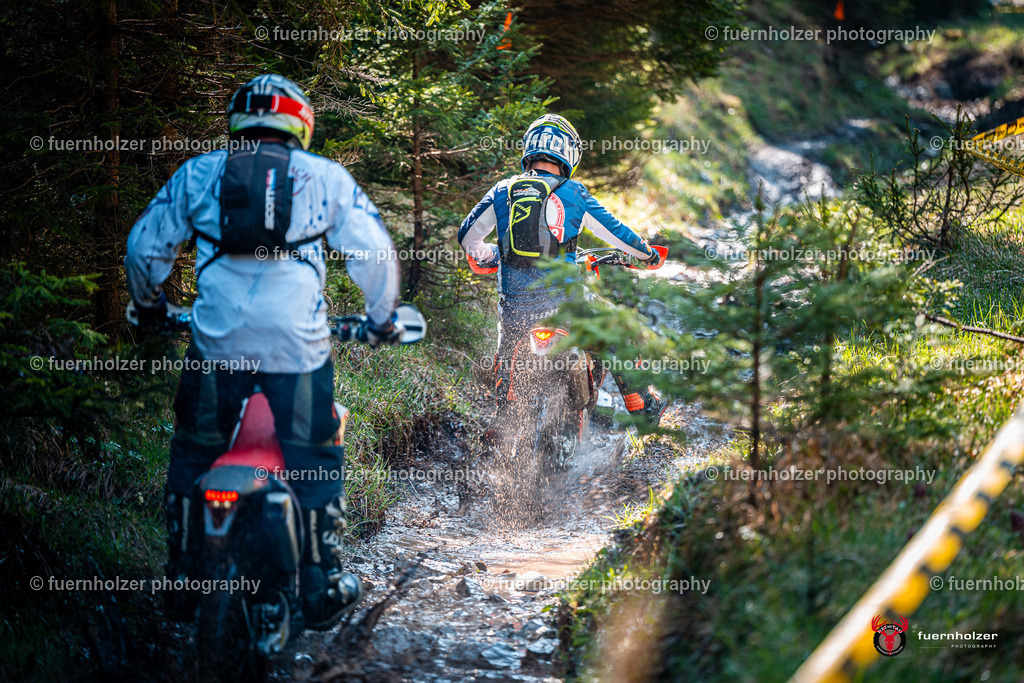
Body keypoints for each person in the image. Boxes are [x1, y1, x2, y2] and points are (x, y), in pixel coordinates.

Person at [125, 74, 401, 630]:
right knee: (315, 452)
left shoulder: (199, 172)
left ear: (237, 122)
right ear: (300, 124)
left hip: (216, 347)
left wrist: (150, 306)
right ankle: (320, 581)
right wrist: (381, 320)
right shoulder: (325, 176)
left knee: (193, 450)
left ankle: (181, 574)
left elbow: (143, 247)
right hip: (297, 352)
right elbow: (374, 254)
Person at [458, 114, 667, 444]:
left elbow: (468, 238)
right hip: (567, 307)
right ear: (568, 154)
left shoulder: (502, 191)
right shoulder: (573, 193)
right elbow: (617, 233)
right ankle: (643, 407)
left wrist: (491, 256)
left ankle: (502, 428)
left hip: (515, 313)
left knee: (505, 359)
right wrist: (647, 255)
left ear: (529, 150)